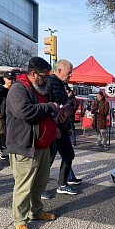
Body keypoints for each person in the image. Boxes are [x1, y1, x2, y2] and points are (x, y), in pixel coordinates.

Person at [6, 56, 64, 229]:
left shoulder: (40, 89)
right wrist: (48, 107)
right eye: (43, 76)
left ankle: (36, 210)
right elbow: (25, 112)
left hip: (42, 147)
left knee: (40, 182)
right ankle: (20, 221)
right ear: (32, 73)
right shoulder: (18, 89)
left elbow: (43, 115)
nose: (46, 80)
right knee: (24, 186)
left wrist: (55, 122)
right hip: (25, 147)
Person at [47, 59, 81, 196]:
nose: (70, 76)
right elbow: (48, 107)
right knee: (48, 160)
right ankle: (39, 187)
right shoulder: (50, 83)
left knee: (69, 154)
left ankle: (62, 183)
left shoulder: (61, 85)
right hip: (53, 127)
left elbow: (64, 108)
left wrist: (67, 127)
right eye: (69, 73)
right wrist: (53, 126)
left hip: (62, 127)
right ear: (59, 70)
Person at [0, 71, 14, 160]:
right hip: (2, 115)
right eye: (9, 79)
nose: (10, 81)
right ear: (4, 79)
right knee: (2, 134)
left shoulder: (14, 89)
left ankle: (9, 149)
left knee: (11, 133)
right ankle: (0, 149)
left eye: (12, 79)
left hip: (12, 115)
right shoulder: (0, 90)